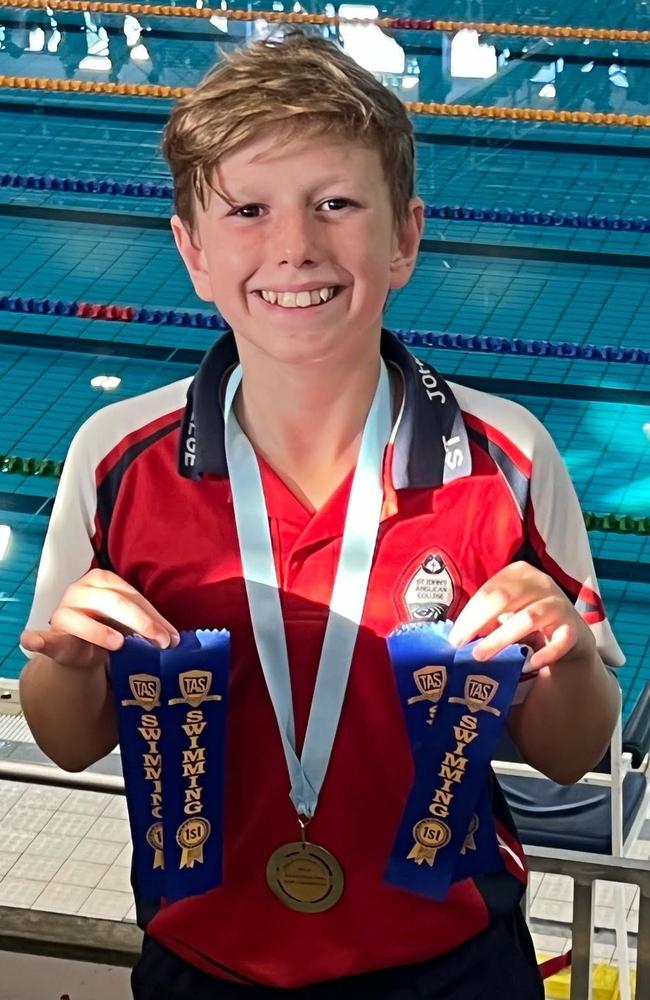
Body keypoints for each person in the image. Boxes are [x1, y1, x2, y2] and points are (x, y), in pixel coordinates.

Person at [19, 30, 623, 1000]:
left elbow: (566, 749)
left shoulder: (502, 457)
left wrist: (567, 651)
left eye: (334, 204)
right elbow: (68, 734)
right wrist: (72, 662)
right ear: (192, 251)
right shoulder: (114, 458)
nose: (294, 247)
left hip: (450, 965)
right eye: (249, 210)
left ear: (404, 237)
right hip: (204, 962)